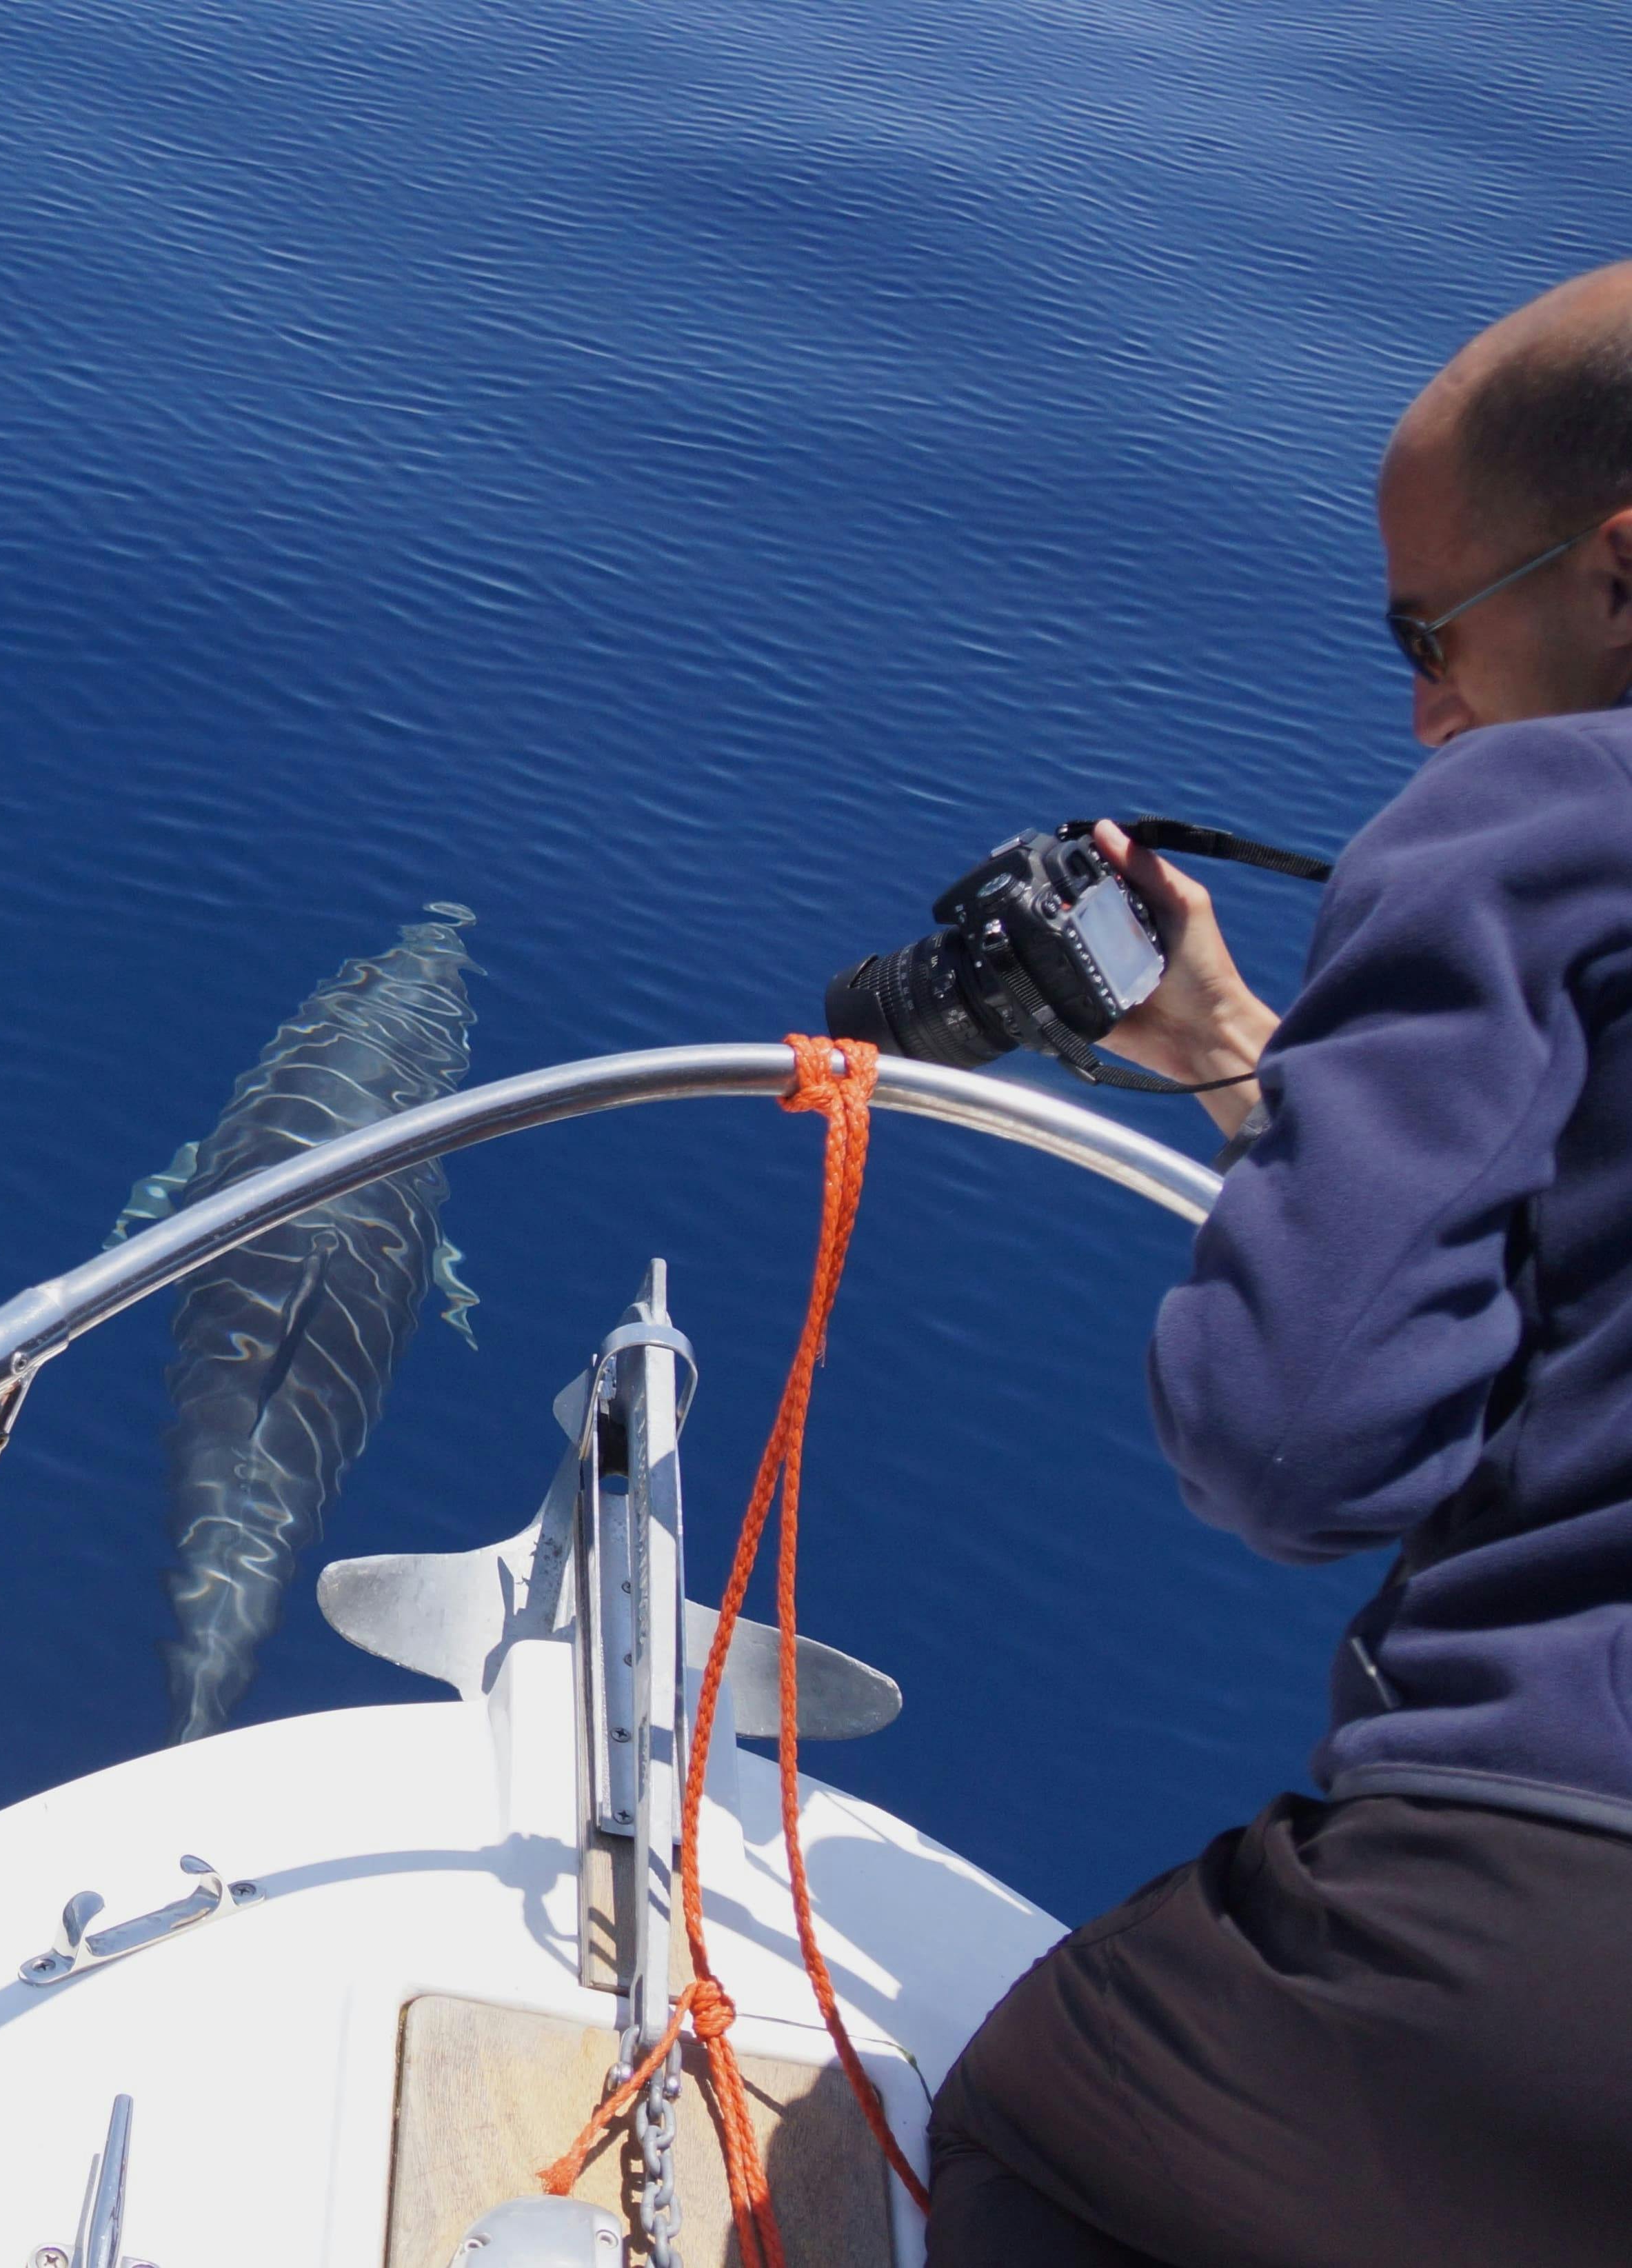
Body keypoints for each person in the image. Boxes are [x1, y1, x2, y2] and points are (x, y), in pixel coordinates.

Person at [920, 265, 1632, 2265]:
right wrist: (1249, 1063)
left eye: (1430, 631)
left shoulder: (1529, 809)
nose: (1423, 707)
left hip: (1530, 1930)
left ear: (1622, 573)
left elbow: (1297, 1439)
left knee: (1042, 2128)